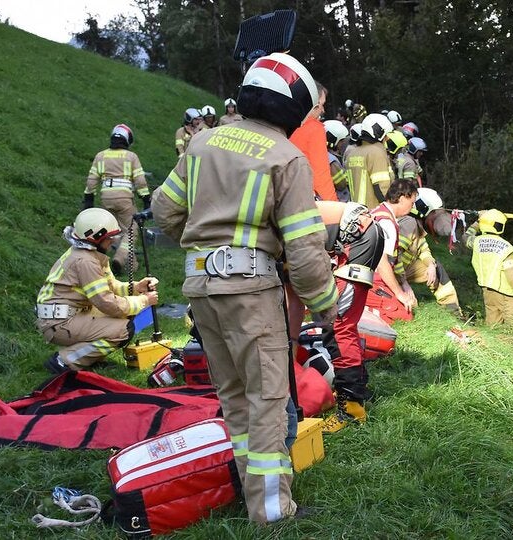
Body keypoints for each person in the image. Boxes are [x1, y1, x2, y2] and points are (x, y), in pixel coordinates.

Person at [152, 52, 338, 525]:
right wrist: (325, 305)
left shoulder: (202, 143)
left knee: (234, 396)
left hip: (201, 290)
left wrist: (206, 251)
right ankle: (273, 513)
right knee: (268, 401)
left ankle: (248, 488)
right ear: (294, 108)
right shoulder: (287, 158)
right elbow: (305, 250)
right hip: (251, 293)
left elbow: (165, 211)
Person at [37, 208, 159, 373]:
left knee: (123, 315)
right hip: (60, 323)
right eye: (109, 237)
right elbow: (107, 302)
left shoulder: (91, 254)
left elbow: (110, 287)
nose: (112, 241)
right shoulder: (86, 262)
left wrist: (137, 287)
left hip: (66, 315)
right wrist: (143, 301)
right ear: (96, 238)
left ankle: (89, 359)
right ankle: (65, 360)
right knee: (123, 330)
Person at [319, 202, 386, 433]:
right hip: (359, 233)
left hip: (358, 237)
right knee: (343, 324)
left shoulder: (271, 234)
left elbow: (295, 293)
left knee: (338, 326)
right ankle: (356, 392)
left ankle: (351, 408)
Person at [83, 124, 150, 275]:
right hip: (125, 200)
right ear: (127, 140)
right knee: (131, 229)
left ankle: (129, 265)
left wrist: (89, 199)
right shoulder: (131, 157)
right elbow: (140, 181)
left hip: (106, 199)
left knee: (111, 230)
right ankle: (119, 258)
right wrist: (146, 199)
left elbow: (92, 180)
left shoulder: (101, 156)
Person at [465, 209, 513, 325]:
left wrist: (478, 222)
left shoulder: (477, 242)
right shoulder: (506, 248)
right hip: (506, 294)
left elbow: (466, 237)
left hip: (487, 290)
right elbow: (512, 276)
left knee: (492, 324)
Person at [395, 188, 463, 317]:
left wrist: (431, 265)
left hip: (403, 269)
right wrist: (404, 284)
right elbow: (393, 257)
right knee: (408, 309)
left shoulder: (417, 226)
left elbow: (423, 249)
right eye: (435, 214)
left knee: (437, 269)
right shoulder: (408, 224)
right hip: (390, 273)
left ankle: (455, 313)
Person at [372, 179, 419, 314]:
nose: (412, 207)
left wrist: (403, 283)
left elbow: (394, 259)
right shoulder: (387, 223)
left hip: (365, 276)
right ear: (402, 199)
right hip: (371, 280)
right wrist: (399, 293)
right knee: (403, 313)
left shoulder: (378, 211)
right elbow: (382, 263)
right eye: (412, 203)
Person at [289, 81, 337, 201]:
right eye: (321, 104)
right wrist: (334, 205)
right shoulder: (314, 129)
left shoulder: (284, 125)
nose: (323, 110)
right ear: (312, 103)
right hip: (306, 200)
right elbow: (321, 177)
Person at [345, 113, 394, 209]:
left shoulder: (352, 153)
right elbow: (381, 188)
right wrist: (389, 209)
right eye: (386, 135)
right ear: (379, 132)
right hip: (373, 211)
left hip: (355, 211)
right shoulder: (376, 153)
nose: (387, 138)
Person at [323, 119, 351, 201]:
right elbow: (341, 184)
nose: (342, 143)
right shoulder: (331, 160)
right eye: (341, 141)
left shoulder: (322, 155)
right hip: (339, 200)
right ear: (333, 140)